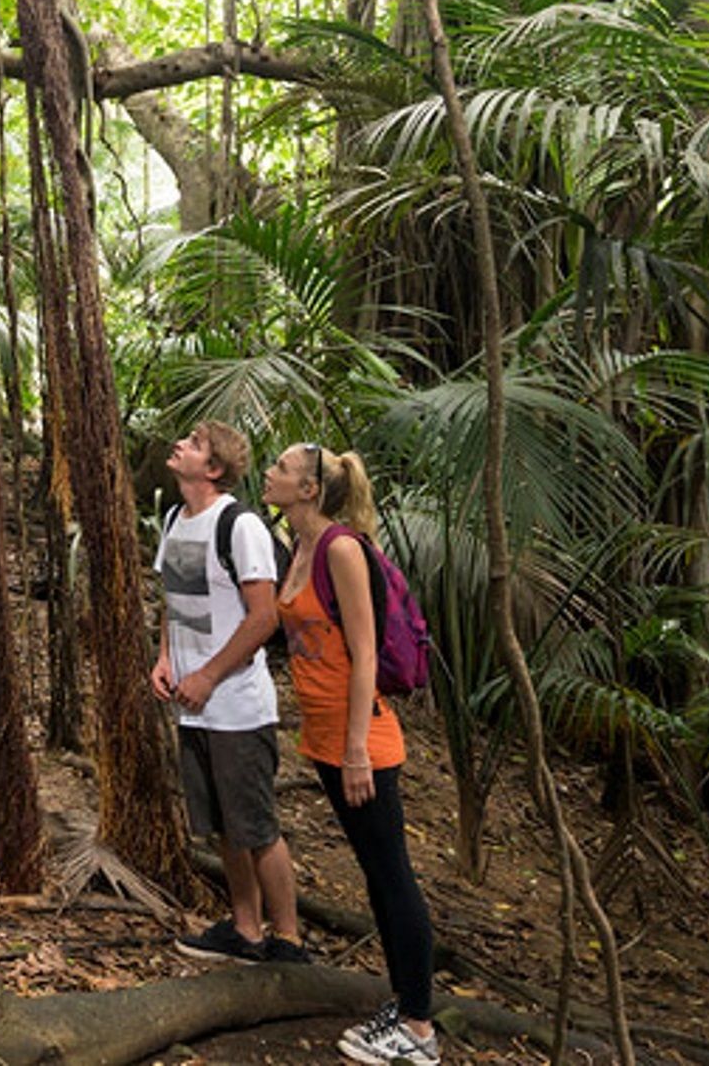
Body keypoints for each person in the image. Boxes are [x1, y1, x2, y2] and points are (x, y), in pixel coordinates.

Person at [261, 440, 440, 1063]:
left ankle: (419, 1029)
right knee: (374, 872)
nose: (270, 473)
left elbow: (365, 652)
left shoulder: (339, 548)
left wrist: (359, 748)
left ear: (309, 489)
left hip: (362, 739)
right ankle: (403, 1002)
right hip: (327, 735)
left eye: (281, 468)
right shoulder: (301, 547)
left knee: (393, 876)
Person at [152, 419, 309, 966]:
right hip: (192, 707)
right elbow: (175, 602)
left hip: (237, 705)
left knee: (256, 824)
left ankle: (287, 941)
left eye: (193, 443)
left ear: (213, 469)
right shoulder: (173, 518)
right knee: (221, 823)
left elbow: (263, 618)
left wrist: (208, 676)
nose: (180, 444)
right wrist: (167, 658)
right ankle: (245, 929)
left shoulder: (238, 525)